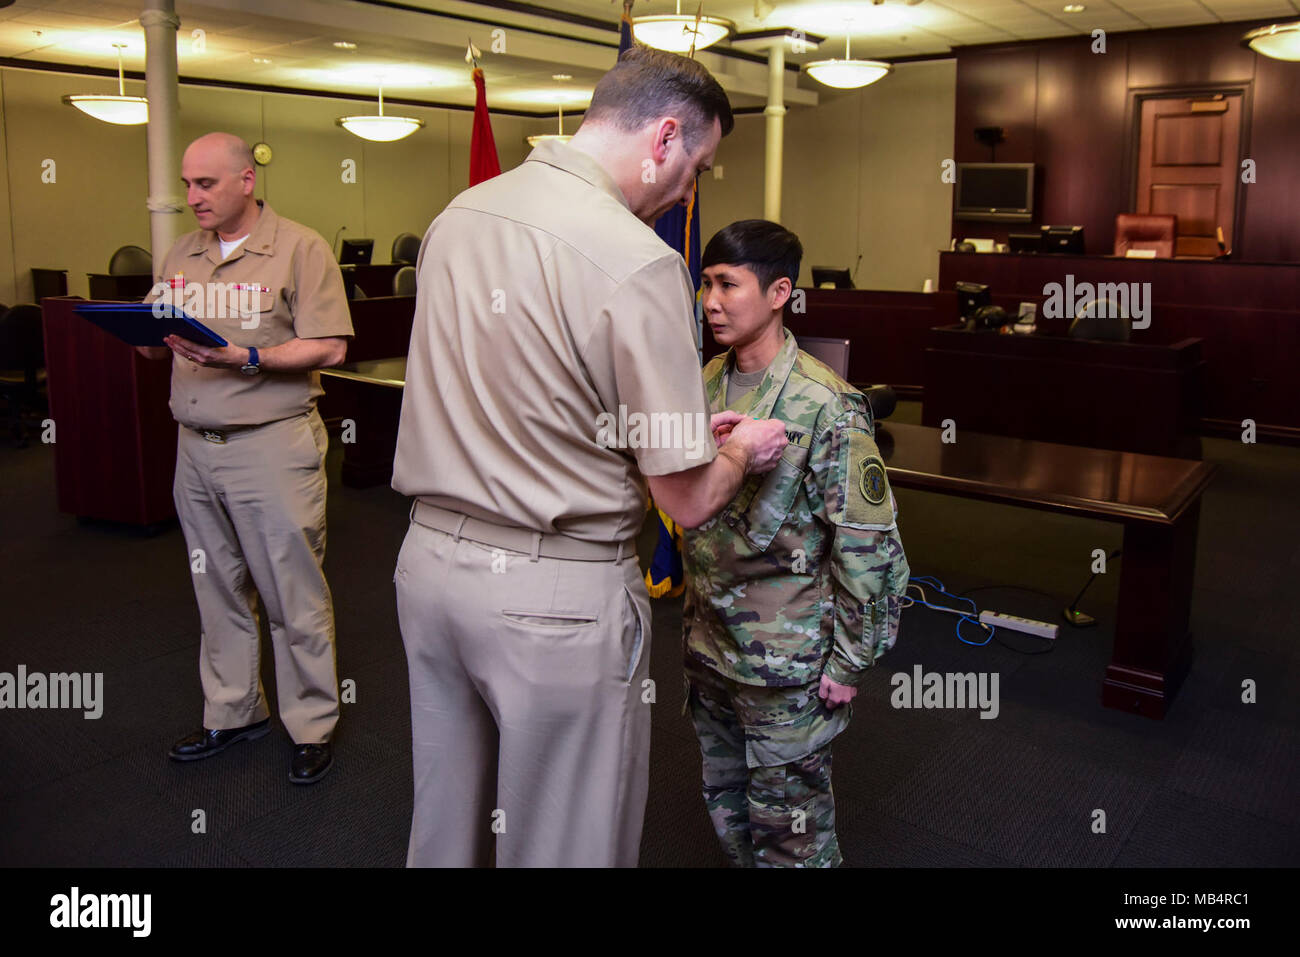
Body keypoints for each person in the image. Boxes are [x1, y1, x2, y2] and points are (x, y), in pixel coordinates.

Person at [391, 45, 789, 867]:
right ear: (666, 137)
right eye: (698, 167)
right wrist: (741, 449)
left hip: (428, 568)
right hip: (553, 596)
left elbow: (519, 387)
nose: (689, 191)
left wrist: (655, 433)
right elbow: (682, 500)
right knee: (563, 843)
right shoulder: (638, 258)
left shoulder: (459, 216)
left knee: (444, 827)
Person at [682, 219, 910, 867]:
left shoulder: (828, 404)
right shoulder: (704, 383)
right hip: (710, 649)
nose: (711, 301)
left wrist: (849, 661)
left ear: (780, 291)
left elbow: (868, 545)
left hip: (786, 669)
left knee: (792, 839)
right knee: (728, 809)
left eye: (729, 284)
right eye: (705, 284)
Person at [138, 132, 353, 784]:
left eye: (205, 184)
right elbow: (157, 347)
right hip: (195, 449)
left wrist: (249, 357)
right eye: (186, 184)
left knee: (293, 591)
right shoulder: (182, 251)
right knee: (217, 587)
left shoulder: (300, 248)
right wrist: (142, 332)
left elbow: (332, 346)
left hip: (272, 446)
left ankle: (312, 721)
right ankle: (234, 710)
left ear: (245, 181)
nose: (192, 197)